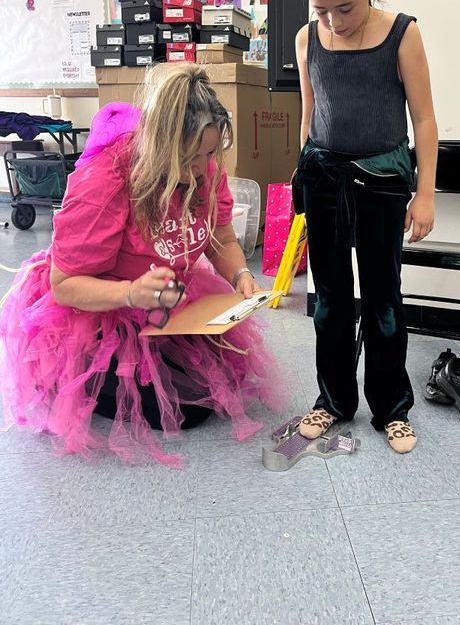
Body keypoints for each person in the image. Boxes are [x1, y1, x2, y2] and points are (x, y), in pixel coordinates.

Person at [0, 64, 284, 466]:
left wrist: (240, 275)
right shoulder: (106, 179)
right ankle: (77, 378)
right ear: (162, 145)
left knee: (220, 381)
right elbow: (64, 284)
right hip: (99, 311)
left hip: (165, 304)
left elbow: (220, 237)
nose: (204, 167)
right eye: (193, 156)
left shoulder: (205, 168)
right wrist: (130, 293)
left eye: (210, 153)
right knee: (188, 409)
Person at [293, 0, 438, 453]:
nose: (333, 20)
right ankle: (333, 399)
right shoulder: (308, 38)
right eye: (322, 9)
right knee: (329, 300)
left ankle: (391, 408)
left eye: (345, 8)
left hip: (382, 182)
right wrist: (300, 176)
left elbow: (423, 120)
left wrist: (425, 194)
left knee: (382, 299)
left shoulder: (403, 34)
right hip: (324, 181)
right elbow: (310, 115)